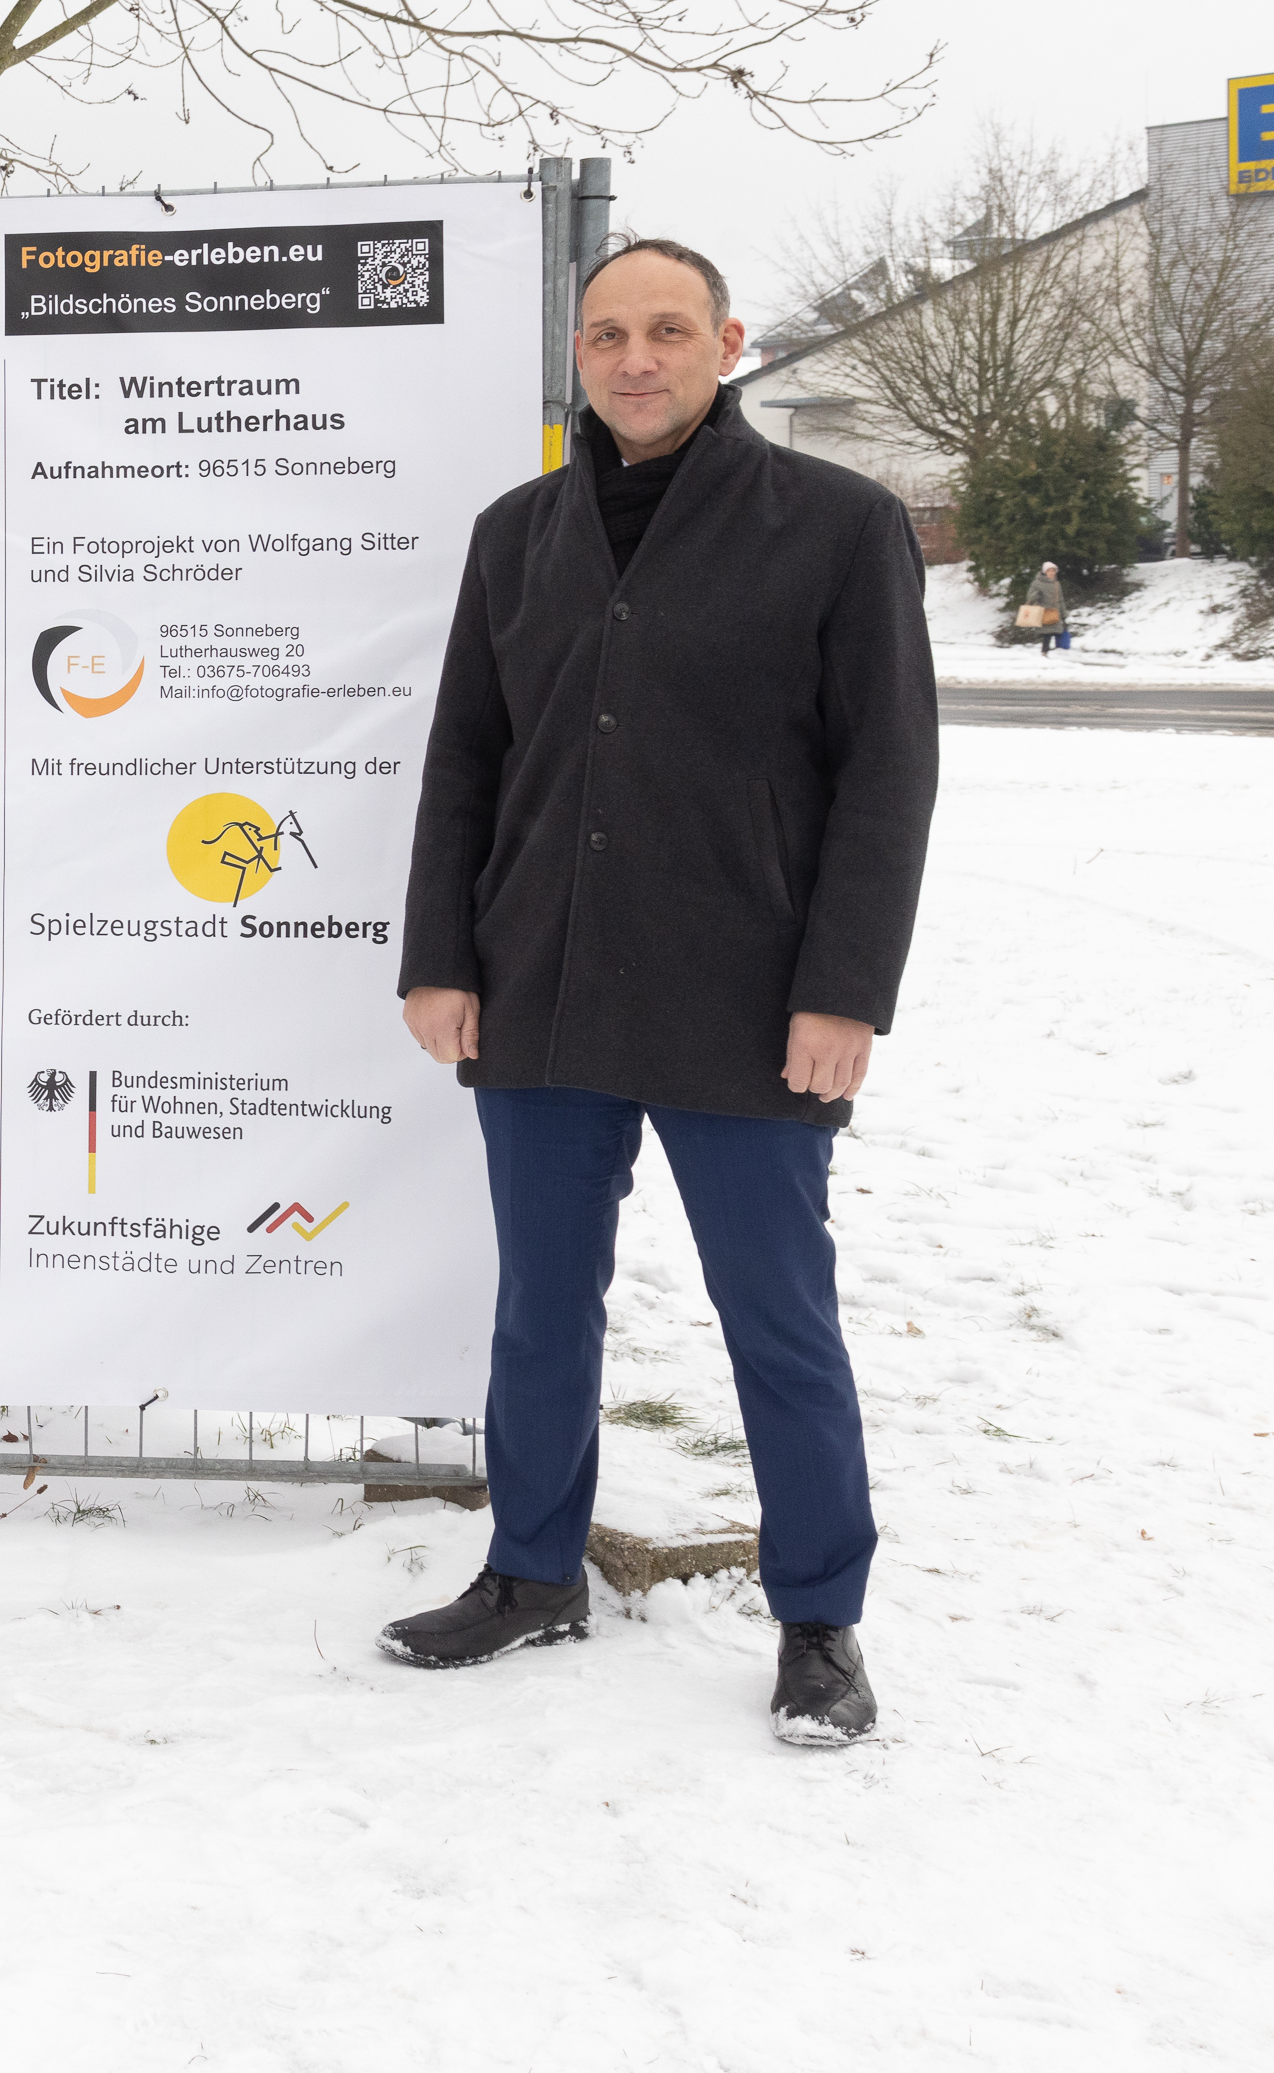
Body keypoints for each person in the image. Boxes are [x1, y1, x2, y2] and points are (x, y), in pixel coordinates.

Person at [389, 237, 939, 1747]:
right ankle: (529, 1570)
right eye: (609, 334)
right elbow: (464, 765)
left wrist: (846, 994)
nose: (637, 358)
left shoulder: (838, 524)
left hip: (750, 995)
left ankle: (820, 1618)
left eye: (668, 332)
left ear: (726, 344)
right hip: (540, 989)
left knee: (780, 1319)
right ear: (578, 355)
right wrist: (441, 955)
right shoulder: (515, 535)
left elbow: (887, 777)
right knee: (539, 1313)